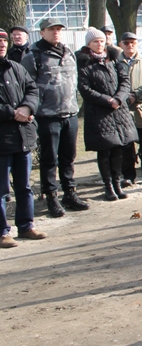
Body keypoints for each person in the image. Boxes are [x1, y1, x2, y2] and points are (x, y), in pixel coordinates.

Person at [22, 17, 89, 217]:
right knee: (49, 158)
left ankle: (70, 192)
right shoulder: (33, 55)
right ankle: (51, 196)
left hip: (70, 112)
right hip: (47, 115)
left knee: (68, 156)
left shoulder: (68, 52)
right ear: (42, 32)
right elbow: (27, 86)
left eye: (59, 29)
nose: (56, 32)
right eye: (51, 29)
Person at [77, 28, 137, 201]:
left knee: (118, 149)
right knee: (105, 151)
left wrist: (118, 98)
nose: (99, 44)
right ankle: (108, 185)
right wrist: (107, 100)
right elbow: (85, 88)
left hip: (119, 111)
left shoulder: (114, 59)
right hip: (99, 113)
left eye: (102, 41)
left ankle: (117, 183)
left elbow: (124, 81)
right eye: (95, 41)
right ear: (89, 44)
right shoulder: (84, 63)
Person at [0, 29, 46, 248]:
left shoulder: (16, 68)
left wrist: (27, 107)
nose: (2, 44)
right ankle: (2, 232)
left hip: (22, 138)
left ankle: (26, 226)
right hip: (2, 142)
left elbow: (32, 90)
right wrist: (12, 113)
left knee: (24, 187)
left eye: (4, 41)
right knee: (1, 190)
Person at [119, 32, 142, 186]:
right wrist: (123, 97)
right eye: (126, 43)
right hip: (123, 110)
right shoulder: (115, 62)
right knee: (127, 146)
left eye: (133, 43)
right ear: (121, 44)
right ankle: (128, 176)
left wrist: (136, 95)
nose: (130, 46)